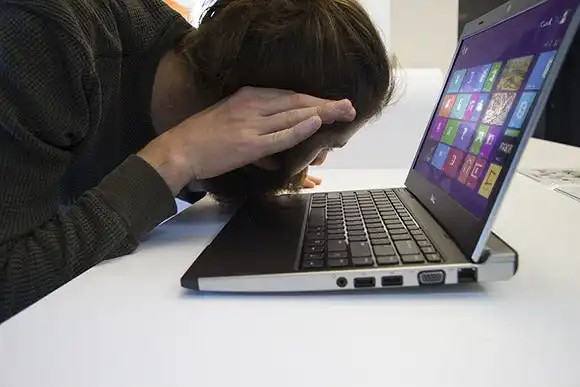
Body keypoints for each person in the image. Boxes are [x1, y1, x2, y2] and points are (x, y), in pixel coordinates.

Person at [0, 0, 397, 322]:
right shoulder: (43, 39)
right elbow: (10, 280)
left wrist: (250, 169)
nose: (318, 161)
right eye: (321, 146)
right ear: (260, 115)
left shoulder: (184, 66)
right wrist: (177, 157)